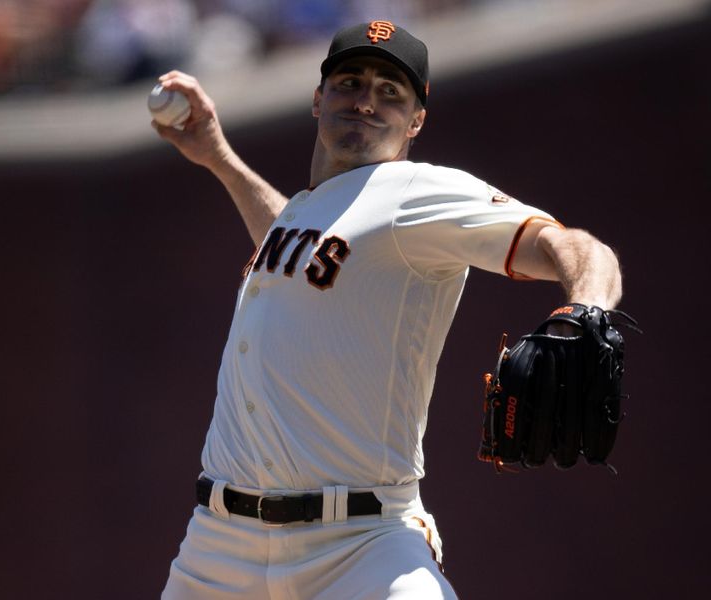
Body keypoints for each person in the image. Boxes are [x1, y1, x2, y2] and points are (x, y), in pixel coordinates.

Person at [151, 20, 622, 600]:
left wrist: (588, 308)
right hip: (219, 547)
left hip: (360, 546)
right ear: (318, 99)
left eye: (391, 91)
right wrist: (219, 157)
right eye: (350, 82)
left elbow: (574, 246)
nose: (367, 101)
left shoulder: (414, 191)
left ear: (416, 120)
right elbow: (294, 244)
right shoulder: (307, 213)